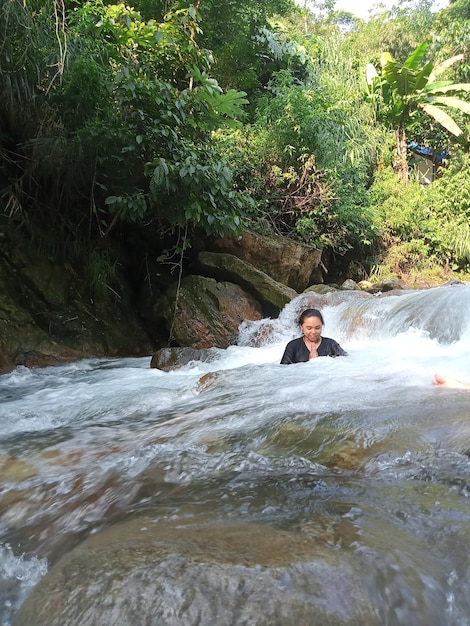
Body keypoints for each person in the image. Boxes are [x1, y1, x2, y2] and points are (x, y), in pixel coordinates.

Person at [280, 308, 346, 364]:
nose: (313, 332)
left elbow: (346, 364)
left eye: (317, 328)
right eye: (309, 328)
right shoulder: (293, 346)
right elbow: (283, 372)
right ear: (301, 327)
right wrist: (311, 363)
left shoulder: (331, 344)